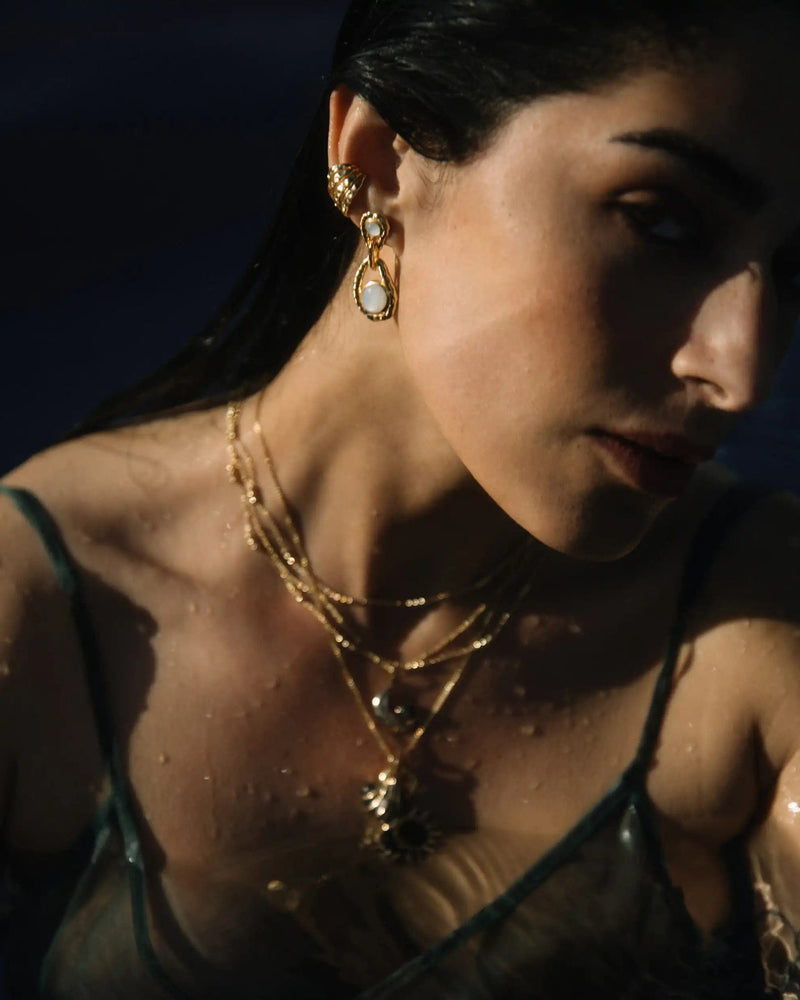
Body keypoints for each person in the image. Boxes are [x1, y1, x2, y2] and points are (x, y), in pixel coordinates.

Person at [3, 0, 800, 996]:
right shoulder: (42, 617)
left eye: (795, 271)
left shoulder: (751, 624)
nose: (741, 371)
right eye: (660, 220)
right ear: (380, 164)